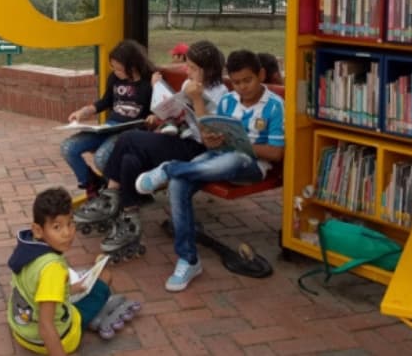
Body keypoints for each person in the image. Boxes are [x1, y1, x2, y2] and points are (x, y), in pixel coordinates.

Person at [134, 49, 285, 291]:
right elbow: (212, 137)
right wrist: (212, 139)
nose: (242, 87)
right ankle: (188, 260)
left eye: (248, 80)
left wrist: (243, 146)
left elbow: (277, 153)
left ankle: (169, 168)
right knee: (178, 184)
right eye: (236, 83)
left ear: (262, 74)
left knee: (235, 158)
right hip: (217, 157)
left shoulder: (276, 106)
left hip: (251, 166)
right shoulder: (228, 100)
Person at [75, 41, 228, 260]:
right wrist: (165, 113)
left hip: (196, 148)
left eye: (193, 68)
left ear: (208, 70)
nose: (187, 70)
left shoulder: (220, 94)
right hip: (178, 136)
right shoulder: (189, 84)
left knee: (129, 139)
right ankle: (129, 220)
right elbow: (181, 114)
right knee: (129, 159)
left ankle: (110, 195)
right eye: (188, 66)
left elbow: (209, 136)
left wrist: (196, 99)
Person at [7, 187, 139, 355]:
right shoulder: (52, 269)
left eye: (70, 223)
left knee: (80, 284)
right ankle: (89, 318)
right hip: (57, 339)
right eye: (57, 227)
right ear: (38, 230)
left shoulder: (25, 249)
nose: (67, 233)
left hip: (22, 331)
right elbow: (46, 326)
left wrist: (72, 288)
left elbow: (32, 288)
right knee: (105, 276)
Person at [60, 40, 154, 198]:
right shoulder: (114, 78)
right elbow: (105, 102)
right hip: (109, 126)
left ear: (133, 65)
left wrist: (153, 116)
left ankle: (124, 191)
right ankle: (92, 183)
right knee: (68, 147)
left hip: (130, 132)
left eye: (119, 68)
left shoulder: (149, 82)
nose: (115, 71)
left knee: (102, 157)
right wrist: (84, 112)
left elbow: (157, 108)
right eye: (113, 67)